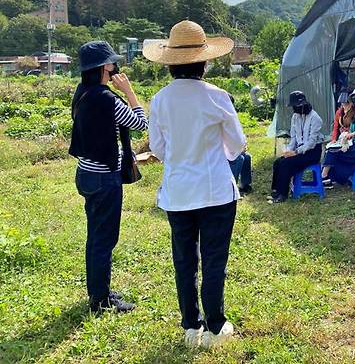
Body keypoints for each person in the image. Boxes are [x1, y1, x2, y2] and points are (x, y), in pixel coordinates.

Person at [145, 20, 246, 348]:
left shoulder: (160, 100)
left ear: (170, 63)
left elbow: (158, 148)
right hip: (216, 190)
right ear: (204, 61)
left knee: (185, 260)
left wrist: (180, 154)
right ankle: (216, 326)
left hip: (178, 193)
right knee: (214, 260)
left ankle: (191, 326)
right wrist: (219, 154)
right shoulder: (217, 97)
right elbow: (237, 144)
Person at [69, 41, 148, 313]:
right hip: (105, 178)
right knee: (104, 239)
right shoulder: (108, 98)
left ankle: (99, 291)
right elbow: (140, 123)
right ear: (105, 67)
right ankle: (100, 301)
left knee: (96, 236)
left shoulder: (82, 92)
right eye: (112, 63)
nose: (116, 67)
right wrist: (129, 92)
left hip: (87, 174)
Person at [269, 91, 323, 203]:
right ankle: (276, 191)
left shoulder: (315, 118)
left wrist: (296, 152)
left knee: (286, 164)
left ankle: (283, 194)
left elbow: (312, 142)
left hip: (312, 152)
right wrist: (288, 151)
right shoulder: (295, 117)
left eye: (295, 106)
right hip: (299, 149)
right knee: (278, 162)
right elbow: (293, 137)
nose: (294, 109)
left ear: (302, 105)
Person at [322, 87, 355, 185]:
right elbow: (348, 129)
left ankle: (328, 177)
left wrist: (354, 134)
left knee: (339, 154)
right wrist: (344, 138)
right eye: (354, 97)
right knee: (334, 151)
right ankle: (328, 177)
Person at [321, 89, 355, 181]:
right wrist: (333, 139)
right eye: (342, 103)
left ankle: (324, 175)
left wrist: (348, 135)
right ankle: (326, 175)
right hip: (341, 138)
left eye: (346, 103)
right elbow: (336, 128)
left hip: (351, 138)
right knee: (330, 149)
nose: (344, 105)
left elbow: (354, 129)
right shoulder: (339, 112)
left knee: (333, 151)